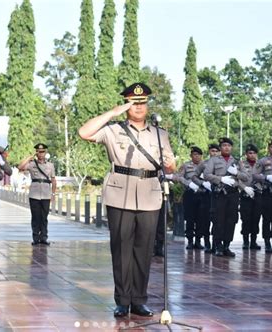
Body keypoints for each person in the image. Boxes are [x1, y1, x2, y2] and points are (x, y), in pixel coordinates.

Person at [78, 82, 176, 318]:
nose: (139, 107)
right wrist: (112, 113)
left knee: (144, 250)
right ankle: (122, 300)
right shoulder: (113, 130)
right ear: (126, 104)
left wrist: (170, 164)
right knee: (121, 249)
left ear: (148, 104)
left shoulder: (160, 134)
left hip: (150, 195)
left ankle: (139, 300)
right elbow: (84, 132)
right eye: (133, 102)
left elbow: (171, 165)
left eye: (142, 102)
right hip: (119, 192)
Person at [204, 137, 250, 257]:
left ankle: (226, 245)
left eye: (229, 146)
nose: (226, 147)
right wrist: (220, 179)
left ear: (232, 147)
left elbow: (246, 177)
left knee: (231, 220)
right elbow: (206, 175)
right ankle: (218, 245)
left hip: (233, 194)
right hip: (219, 194)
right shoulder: (214, 160)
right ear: (220, 148)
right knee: (219, 220)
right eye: (224, 145)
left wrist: (237, 173)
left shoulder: (236, 161)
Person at [18, 143, 57, 246]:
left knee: (44, 217)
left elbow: (53, 180)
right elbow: (20, 167)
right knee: (35, 217)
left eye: (43, 151)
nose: (41, 154)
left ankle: (44, 237)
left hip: (46, 194)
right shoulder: (32, 164)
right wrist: (30, 156)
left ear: (46, 152)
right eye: (39, 152)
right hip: (34, 194)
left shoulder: (50, 165)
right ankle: (35, 238)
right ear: (36, 152)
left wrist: (53, 194)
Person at [177, 146, 208, 250]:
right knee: (190, 218)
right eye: (195, 154)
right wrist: (188, 183)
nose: (197, 157)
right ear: (191, 156)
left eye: (199, 155)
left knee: (201, 218)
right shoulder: (186, 165)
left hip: (202, 194)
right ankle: (190, 241)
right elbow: (179, 177)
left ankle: (198, 241)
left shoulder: (206, 165)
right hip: (190, 194)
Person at [192, 143, 220, 253]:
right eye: (212, 151)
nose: (214, 153)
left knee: (217, 220)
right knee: (205, 220)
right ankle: (207, 243)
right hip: (206, 195)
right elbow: (194, 177)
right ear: (209, 152)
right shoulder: (204, 164)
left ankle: (215, 244)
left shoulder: (223, 163)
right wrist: (202, 184)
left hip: (218, 194)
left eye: (216, 151)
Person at [238, 144, 261, 250]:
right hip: (245, 194)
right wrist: (243, 188)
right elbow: (237, 179)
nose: (252, 155)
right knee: (245, 218)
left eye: (253, 153)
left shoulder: (260, 164)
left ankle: (253, 241)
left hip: (257, 194)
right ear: (246, 154)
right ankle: (245, 241)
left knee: (256, 218)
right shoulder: (241, 164)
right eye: (249, 153)